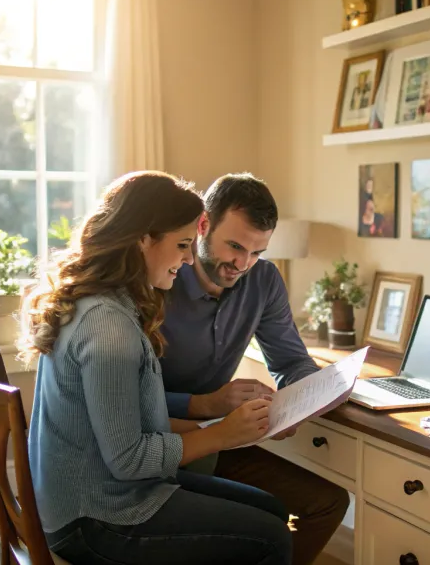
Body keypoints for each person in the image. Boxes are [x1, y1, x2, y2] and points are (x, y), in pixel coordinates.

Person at [20, 171, 292, 565]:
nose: (187, 258)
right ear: (143, 239)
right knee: (271, 538)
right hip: (96, 513)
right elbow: (129, 459)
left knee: (272, 511)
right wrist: (221, 434)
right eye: (183, 244)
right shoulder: (109, 327)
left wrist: (220, 427)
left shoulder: (100, 301)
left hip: (93, 492)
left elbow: (131, 426)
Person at [160, 172, 351, 565]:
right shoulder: (160, 278)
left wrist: (304, 397)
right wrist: (205, 403)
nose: (242, 264)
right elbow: (123, 400)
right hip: (158, 441)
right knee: (262, 526)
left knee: (328, 503)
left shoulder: (263, 280)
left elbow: (291, 360)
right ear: (203, 225)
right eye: (234, 246)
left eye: (257, 252)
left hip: (220, 436)